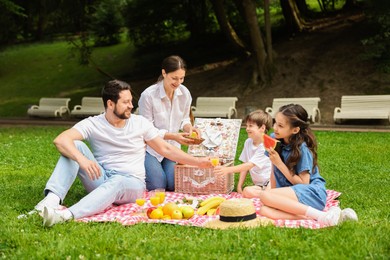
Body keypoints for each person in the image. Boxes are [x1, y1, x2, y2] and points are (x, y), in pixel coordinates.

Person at [34, 79, 211, 227]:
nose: (131, 106)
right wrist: (82, 160)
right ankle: (51, 200)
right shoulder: (93, 123)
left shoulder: (140, 123)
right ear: (110, 104)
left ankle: (66, 215)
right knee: (76, 146)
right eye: (125, 102)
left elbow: (165, 148)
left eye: (130, 101)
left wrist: (199, 162)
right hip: (102, 178)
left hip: (132, 184)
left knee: (118, 181)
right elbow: (61, 140)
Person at [258, 104, 358, 226]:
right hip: (292, 195)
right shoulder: (275, 138)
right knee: (265, 210)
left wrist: (279, 163)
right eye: (275, 123)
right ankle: (320, 217)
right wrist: (274, 195)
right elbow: (274, 170)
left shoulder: (302, 149)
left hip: (312, 193)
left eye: (280, 125)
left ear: (295, 130)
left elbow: (304, 184)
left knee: (264, 195)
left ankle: (321, 215)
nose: (275, 128)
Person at [138, 55, 199, 191]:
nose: (178, 83)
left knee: (173, 185)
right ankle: (137, 175)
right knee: (158, 186)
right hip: (151, 149)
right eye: (174, 78)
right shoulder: (148, 96)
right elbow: (147, 130)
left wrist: (189, 128)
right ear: (164, 73)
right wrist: (174, 136)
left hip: (172, 148)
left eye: (181, 78)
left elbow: (185, 118)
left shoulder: (185, 93)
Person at [213, 110, 273, 197]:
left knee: (265, 194)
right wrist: (239, 186)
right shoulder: (248, 142)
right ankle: (268, 195)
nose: (247, 128)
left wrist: (227, 170)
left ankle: (272, 195)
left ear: (262, 128)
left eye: (251, 126)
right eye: (247, 125)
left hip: (272, 182)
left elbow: (249, 165)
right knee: (247, 191)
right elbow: (245, 165)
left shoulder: (265, 145)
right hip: (260, 185)